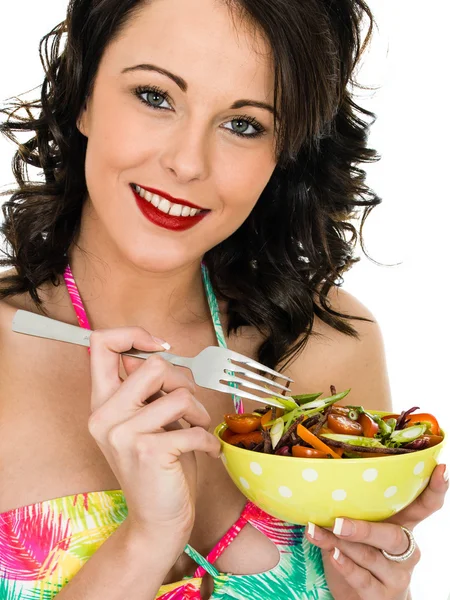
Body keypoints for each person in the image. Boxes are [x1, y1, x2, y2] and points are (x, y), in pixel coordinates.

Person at [0, 0, 447, 598]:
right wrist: (147, 537)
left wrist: (379, 588)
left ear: (283, 152)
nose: (187, 163)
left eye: (244, 124)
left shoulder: (329, 346)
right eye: (155, 96)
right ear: (83, 95)